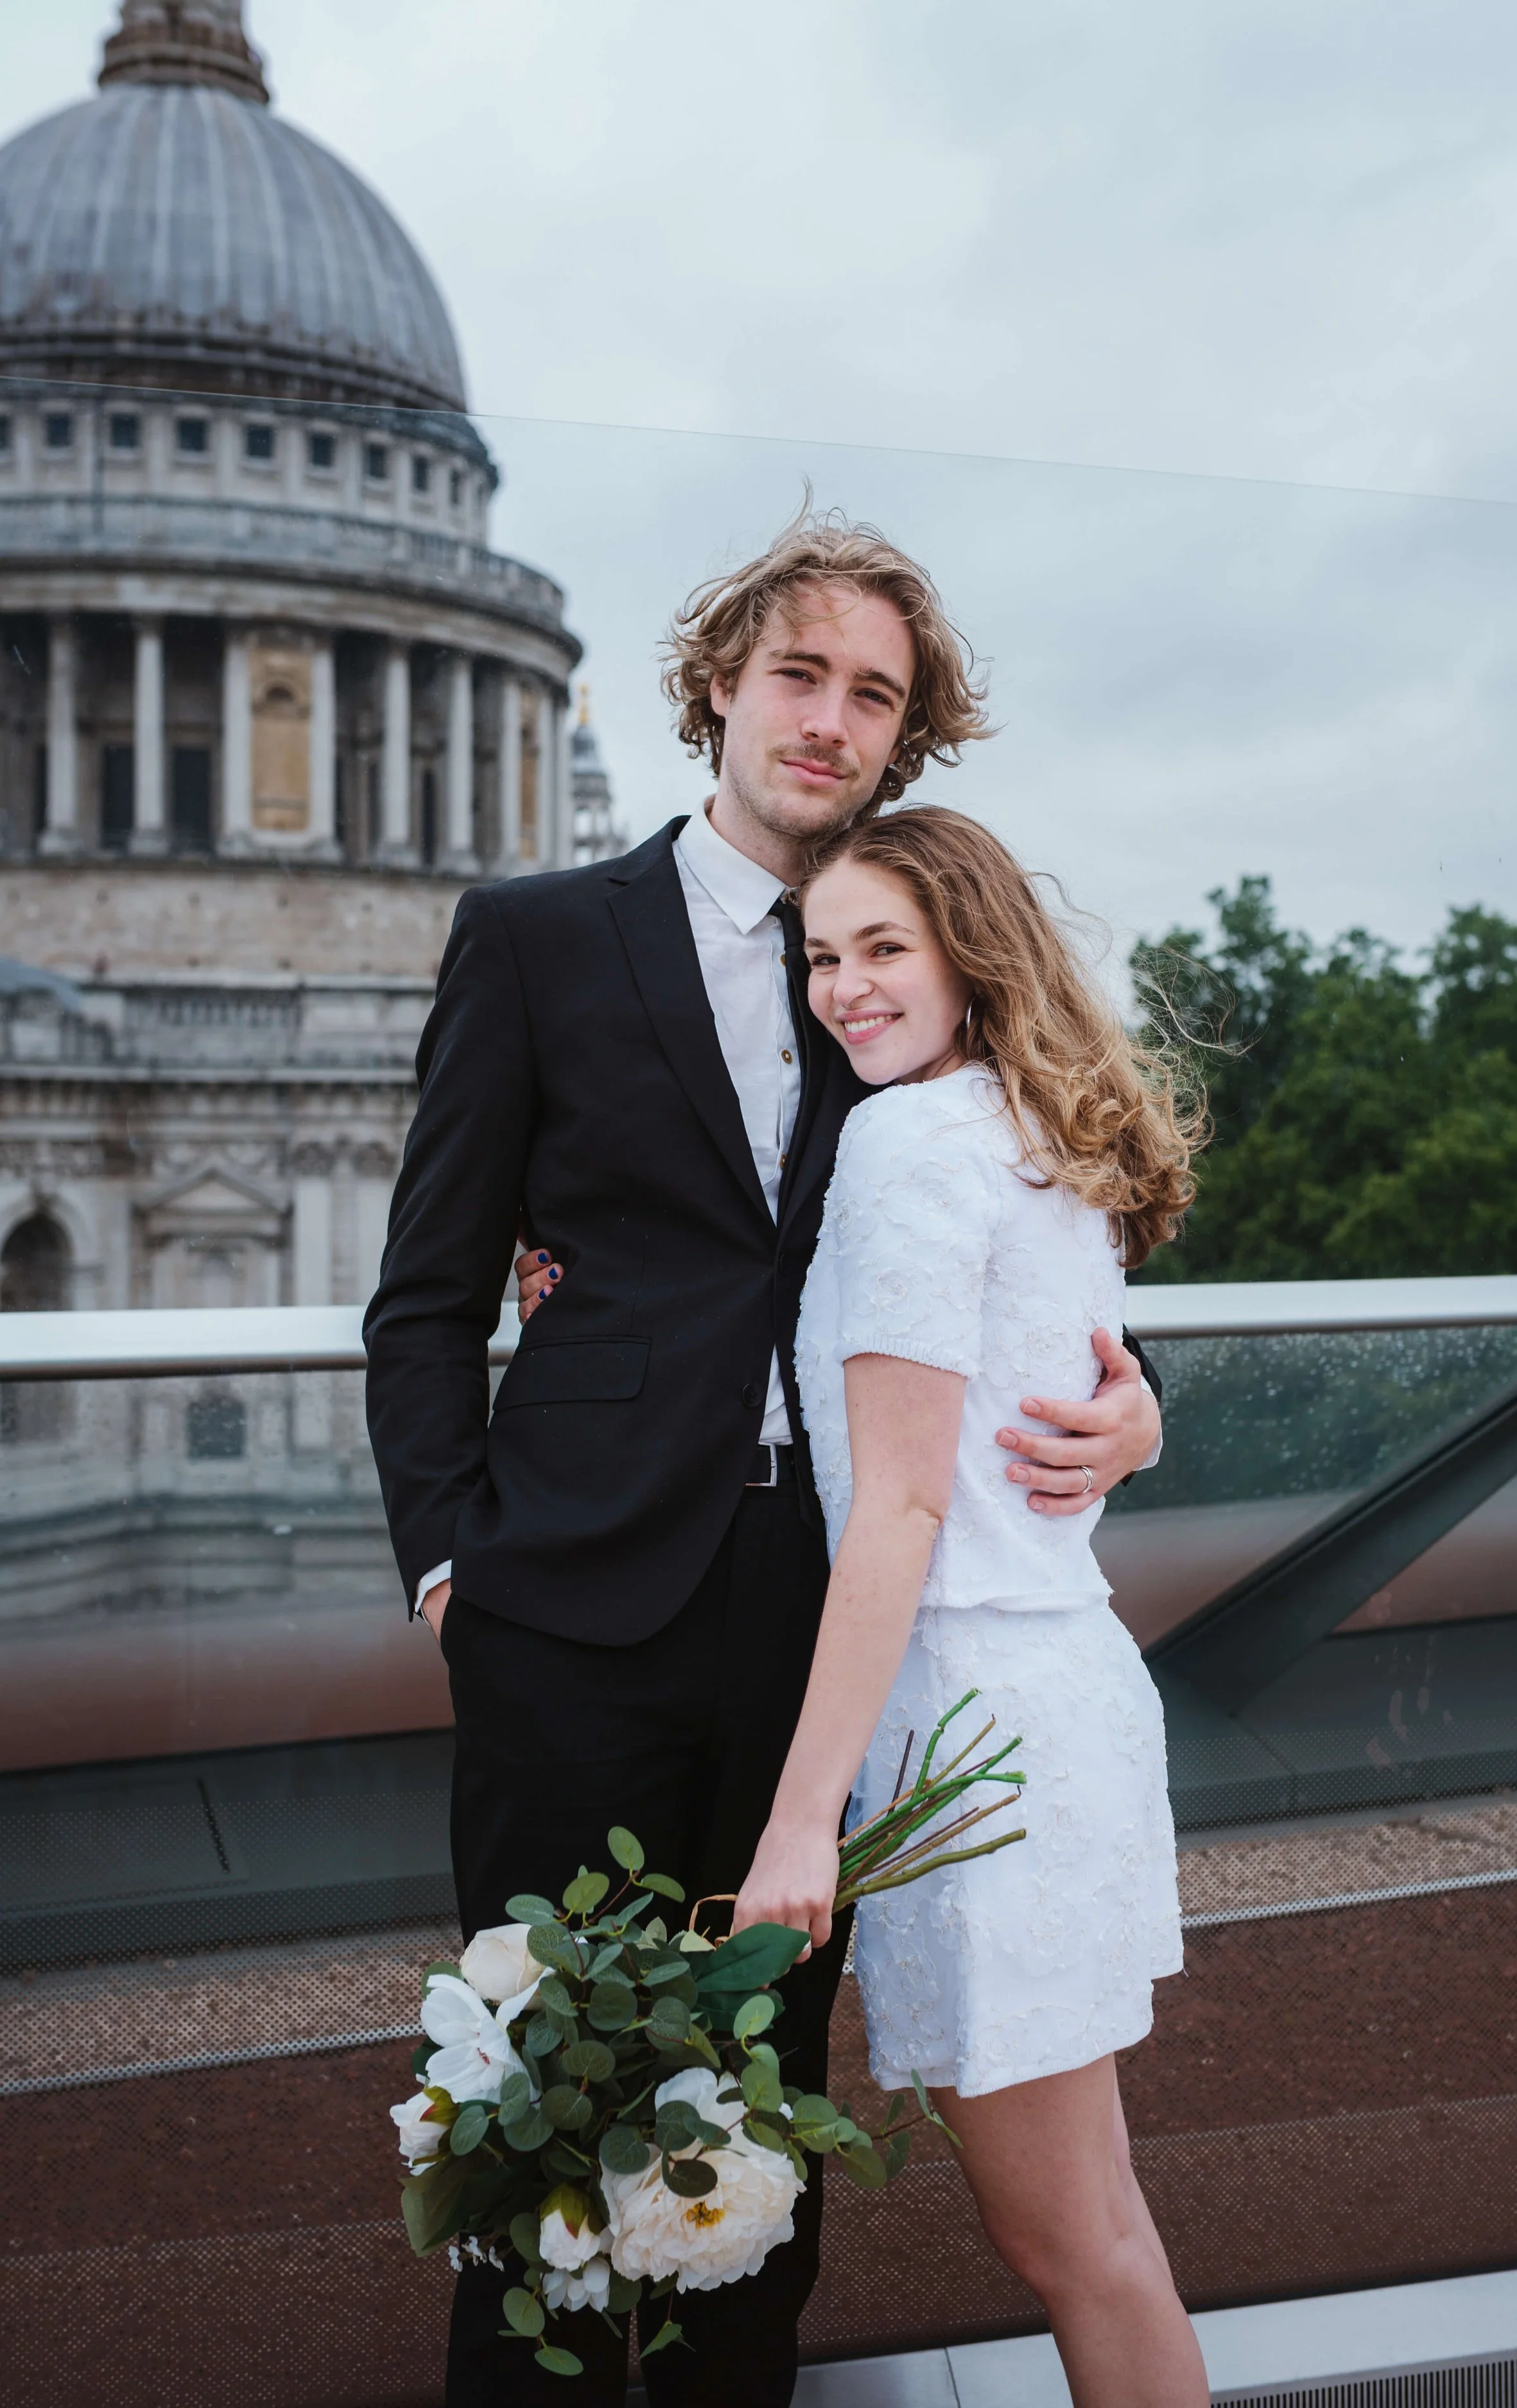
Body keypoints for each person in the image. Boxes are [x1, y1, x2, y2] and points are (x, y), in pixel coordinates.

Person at [363, 509, 1165, 2408]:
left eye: (873, 694)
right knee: (530, 2140)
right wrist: (447, 1565)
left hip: (824, 1632)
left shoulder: (903, 969)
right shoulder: (538, 938)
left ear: (904, 738)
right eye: (798, 672)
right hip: (566, 1608)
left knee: (759, 2153)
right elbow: (424, 1294)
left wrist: (1138, 1406)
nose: (830, 717)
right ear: (720, 681)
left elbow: (1016, 1229)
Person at [729, 805, 1209, 2408]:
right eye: (819, 957)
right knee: (1101, 2227)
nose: (845, 989)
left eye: (883, 950)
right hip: (1058, 1691)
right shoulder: (1032, 1128)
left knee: (1075, 2245)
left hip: (972, 1738)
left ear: (966, 955)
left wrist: (801, 1828)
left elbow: (906, 1511)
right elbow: (1064, 1407)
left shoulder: (910, 1144)